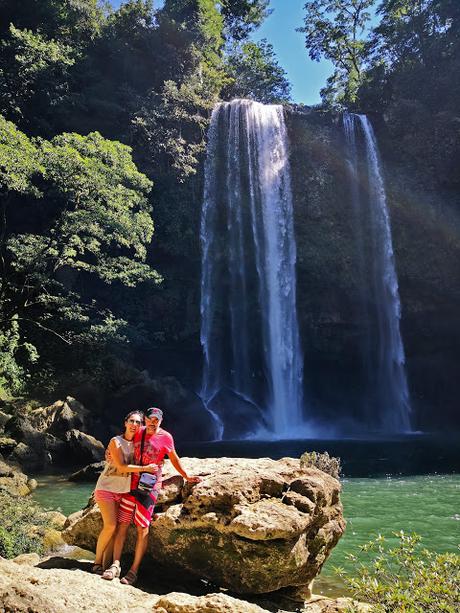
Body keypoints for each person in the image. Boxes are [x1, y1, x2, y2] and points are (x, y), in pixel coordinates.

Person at [103, 407, 201, 585]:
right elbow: (121, 442)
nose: (153, 422)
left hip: (149, 487)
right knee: (122, 524)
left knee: (142, 528)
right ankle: (115, 565)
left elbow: (174, 457)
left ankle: (133, 571)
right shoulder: (138, 431)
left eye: (157, 419)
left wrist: (186, 476)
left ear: (161, 421)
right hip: (130, 484)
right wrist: (109, 453)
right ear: (145, 419)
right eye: (150, 419)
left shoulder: (166, 437)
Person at [91, 411, 159, 575]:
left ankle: (108, 566)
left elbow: (153, 452)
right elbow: (121, 466)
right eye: (132, 421)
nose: (134, 425)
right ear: (125, 423)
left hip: (123, 491)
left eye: (138, 422)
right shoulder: (116, 441)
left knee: (115, 530)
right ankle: (96, 563)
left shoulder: (139, 443)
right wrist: (145, 468)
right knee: (111, 526)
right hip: (106, 487)